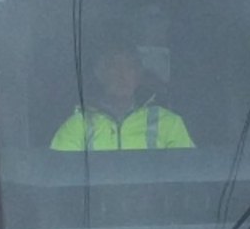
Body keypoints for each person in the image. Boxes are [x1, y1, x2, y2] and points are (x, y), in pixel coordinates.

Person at [51, 29, 194, 151]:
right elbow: (60, 175)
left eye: (129, 66)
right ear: (99, 74)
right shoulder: (77, 126)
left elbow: (187, 175)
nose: (122, 74)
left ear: (139, 75)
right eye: (113, 66)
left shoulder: (168, 124)